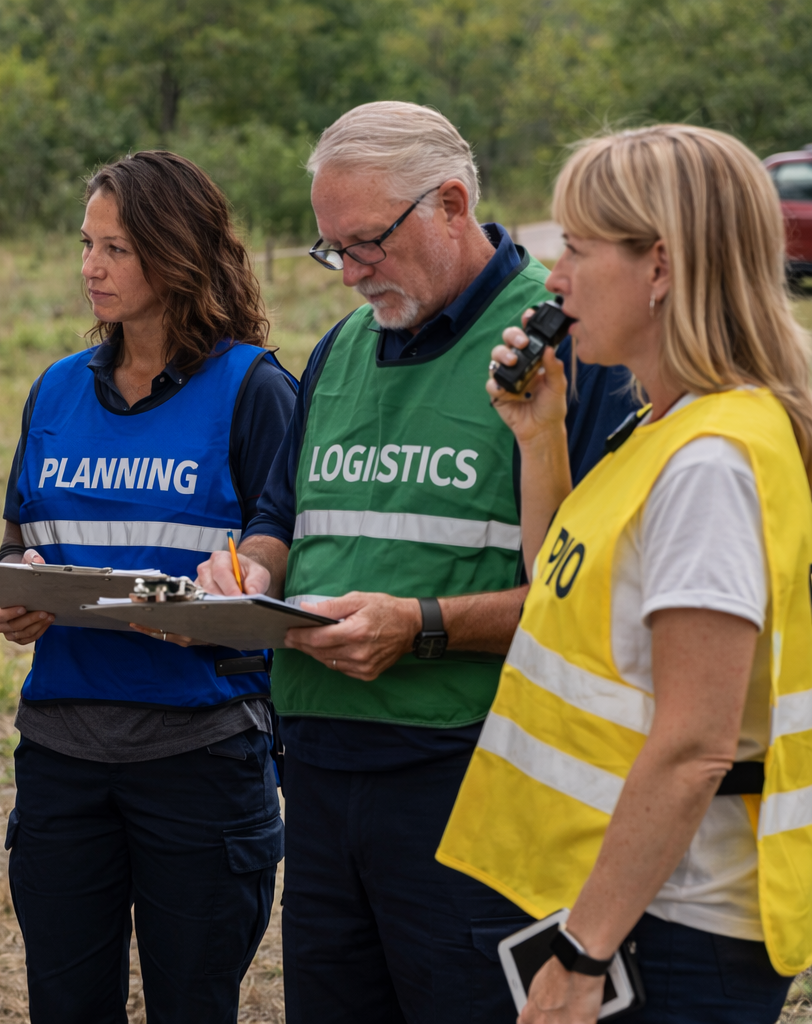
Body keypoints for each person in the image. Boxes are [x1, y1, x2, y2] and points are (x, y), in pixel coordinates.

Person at [196, 101, 640, 1023]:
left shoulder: (564, 349)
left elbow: (592, 594)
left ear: (450, 204)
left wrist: (424, 629)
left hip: (471, 776)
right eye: (333, 251)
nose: (352, 275)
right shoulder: (340, 351)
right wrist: (252, 577)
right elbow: (280, 515)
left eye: (366, 245)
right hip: (317, 769)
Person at [438, 124, 812, 1023]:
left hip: (670, 931)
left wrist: (581, 954)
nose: (553, 277)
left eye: (577, 245)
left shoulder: (711, 462)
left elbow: (695, 746)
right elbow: (561, 590)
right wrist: (540, 439)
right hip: (630, 903)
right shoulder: (661, 427)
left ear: (662, 267)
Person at [0, 150, 298, 1023]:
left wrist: (229, 595)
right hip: (61, 759)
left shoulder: (256, 390)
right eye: (87, 244)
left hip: (200, 761)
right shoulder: (53, 390)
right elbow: (24, 539)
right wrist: (20, 588)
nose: (91, 266)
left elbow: (286, 569)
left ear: (179, 252)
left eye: (116, 248)